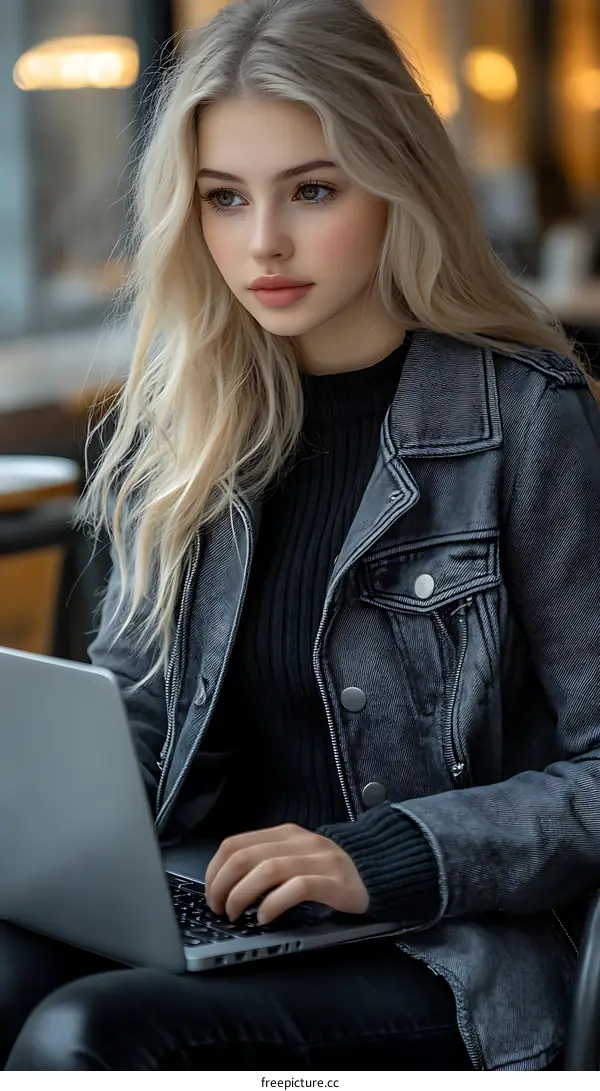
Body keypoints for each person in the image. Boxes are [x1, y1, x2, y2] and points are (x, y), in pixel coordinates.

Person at [3, 0, 600, 1072]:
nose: (262, 242)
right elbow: (138, 720)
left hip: (446, 945)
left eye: (312, 191)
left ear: (395, 186)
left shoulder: (527, 420)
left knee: (82, 1035)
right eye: (224, 199)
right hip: (219, 907)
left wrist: (382, 854)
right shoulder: (184, 420)